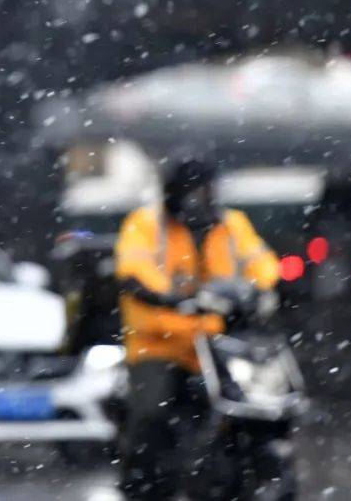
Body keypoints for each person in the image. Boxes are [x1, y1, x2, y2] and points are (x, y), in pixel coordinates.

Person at [114, 157, 279, 499]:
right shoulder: (145, 225)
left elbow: (261, 262)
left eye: (205, 190)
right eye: (193, 190)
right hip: (159, 343)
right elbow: (133, 270)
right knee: (151, 413)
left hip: (218, 343)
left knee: (255, 405)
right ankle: (143, 486)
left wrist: (260, 289)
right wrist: (169, 297)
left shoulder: (232, 224)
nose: (200, 198)